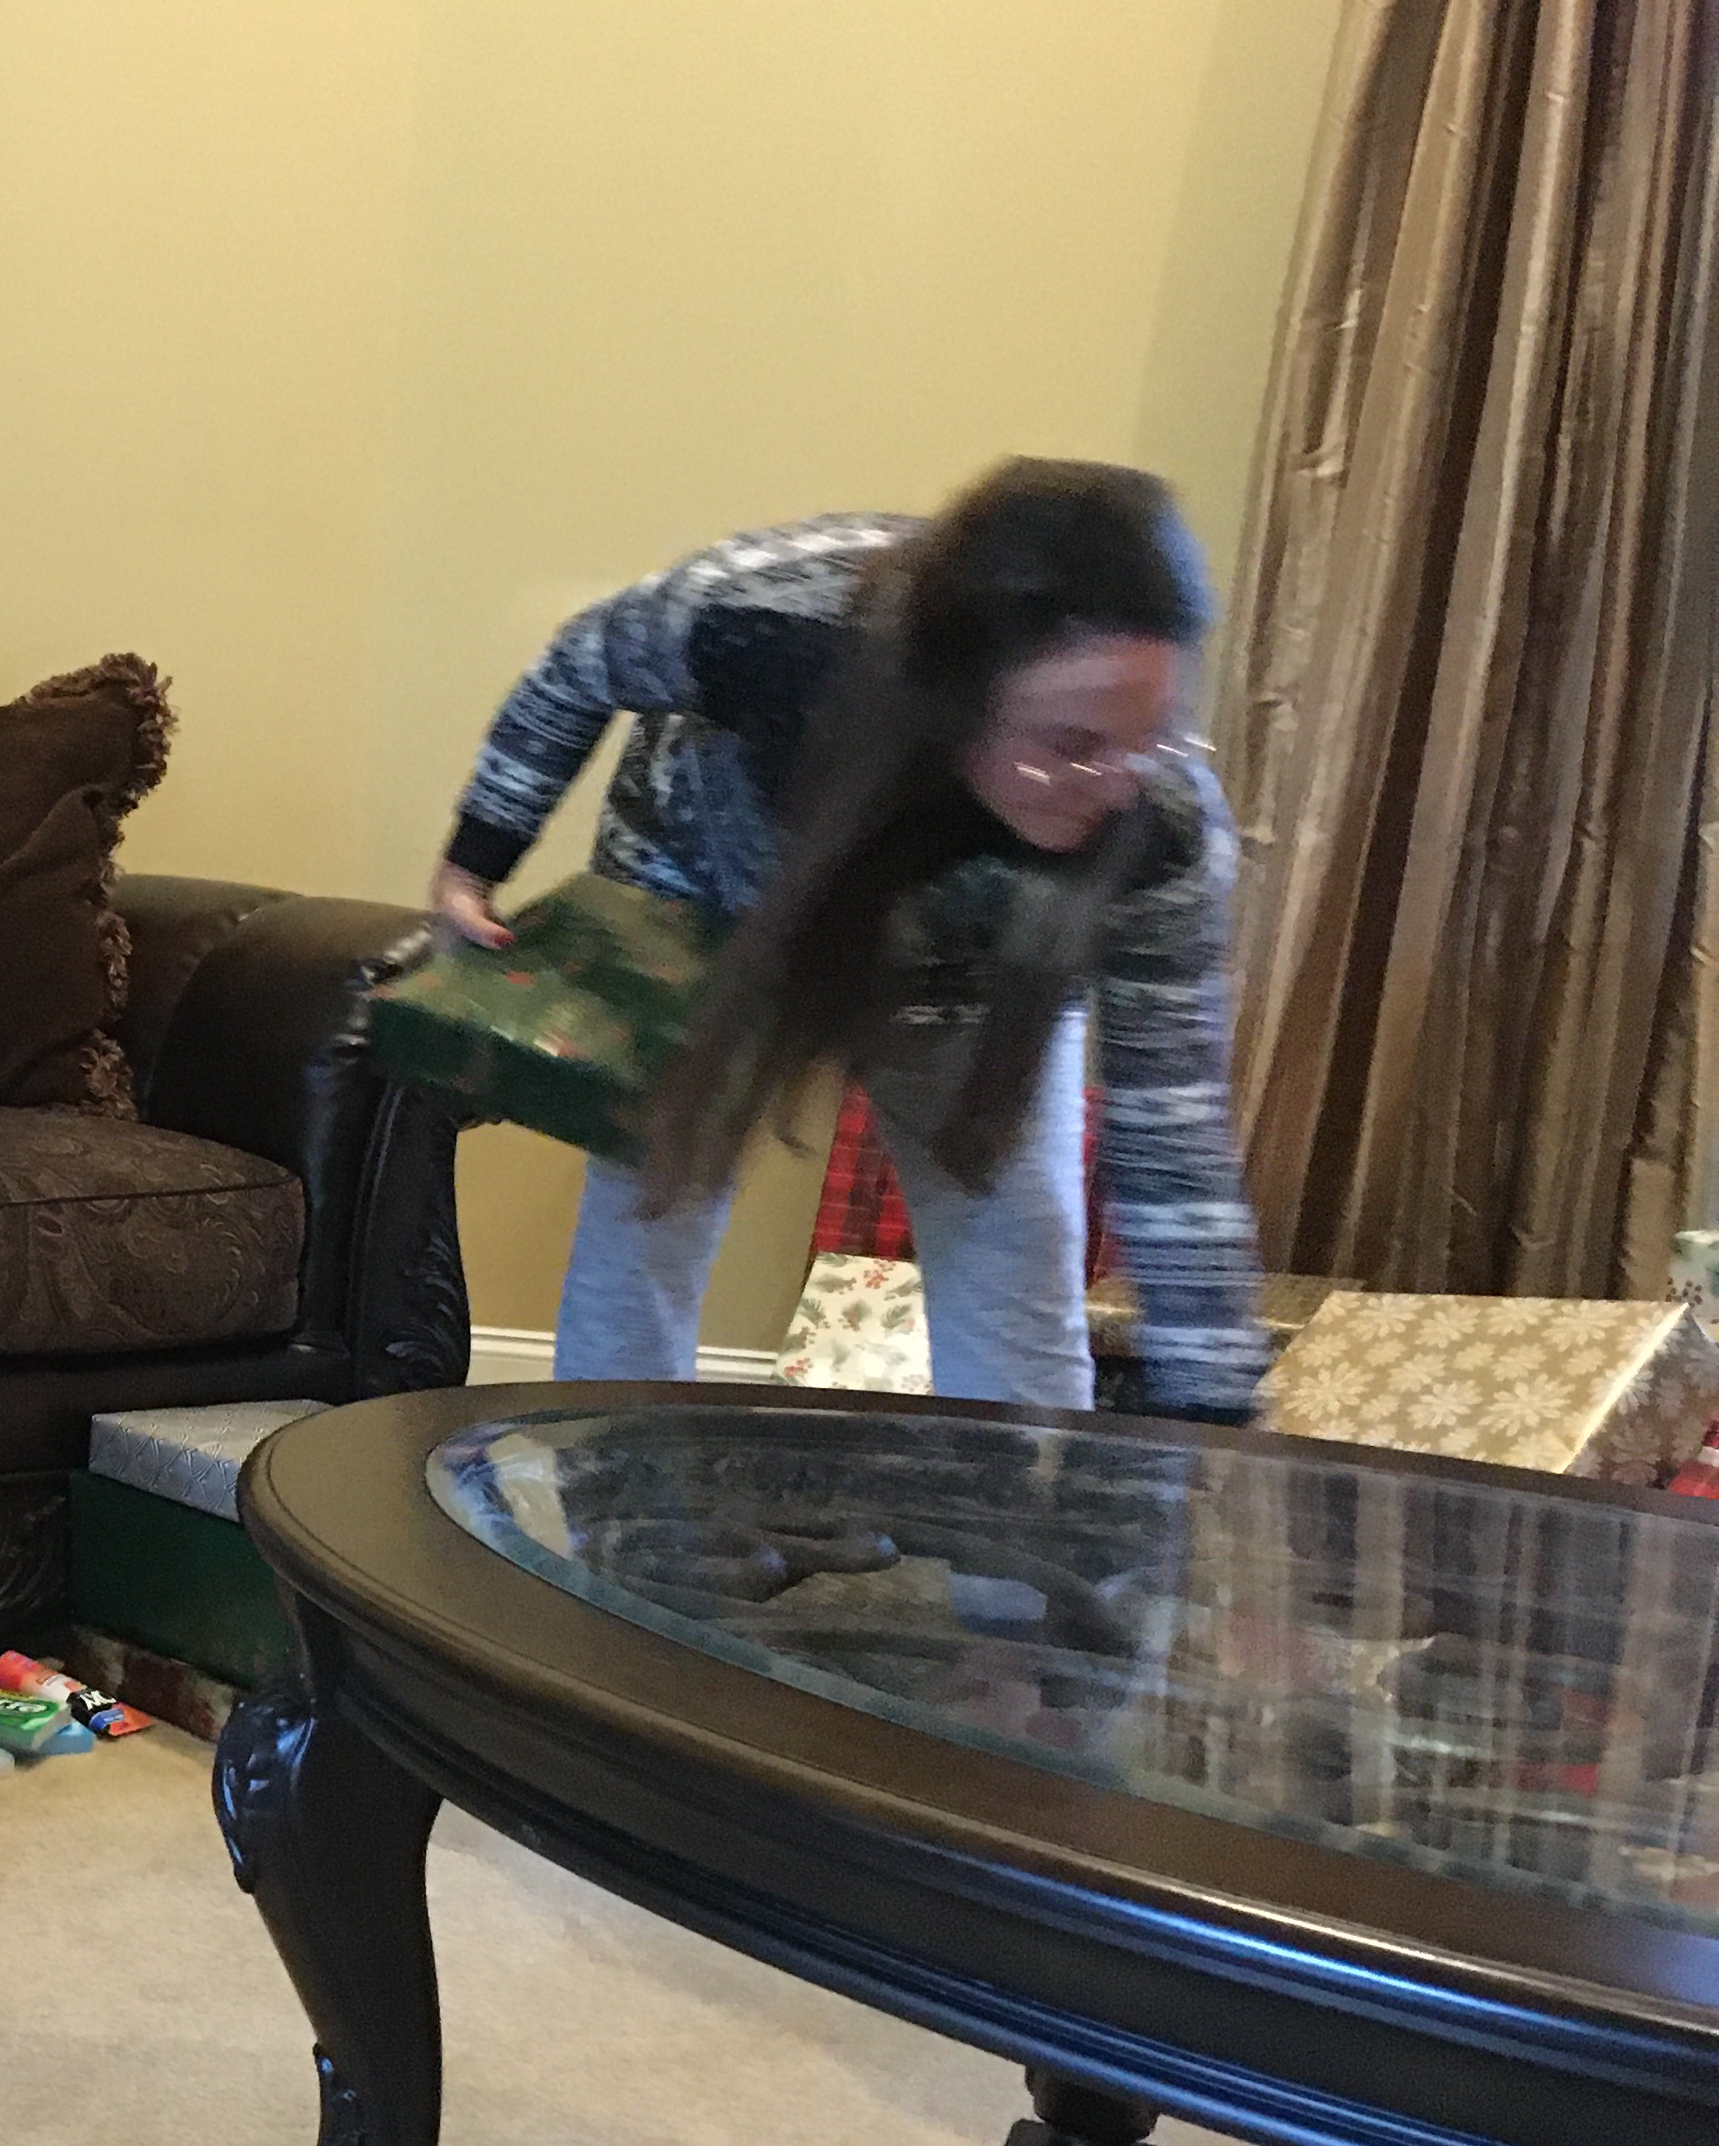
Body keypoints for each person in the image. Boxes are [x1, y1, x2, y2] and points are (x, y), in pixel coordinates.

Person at [429, 458, 1269, 1423]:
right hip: (705, 898)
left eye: (1149, 736)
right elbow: (586, 657)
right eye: (1070, 744)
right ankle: (611, 1490)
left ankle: (1022, 1518)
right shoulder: (768, 621)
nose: (1117, 786)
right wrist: (478, 854)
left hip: (975, 971)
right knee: (650, 1218)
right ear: (956, 701)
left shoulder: (1162, 832)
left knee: (1016, 1254)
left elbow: (1173, 1135)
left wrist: (1214, 1419)